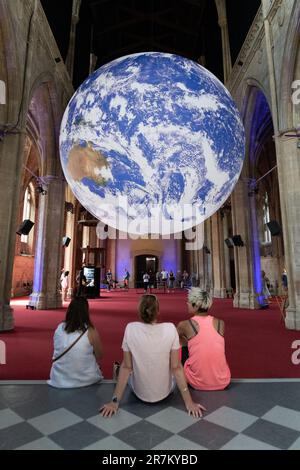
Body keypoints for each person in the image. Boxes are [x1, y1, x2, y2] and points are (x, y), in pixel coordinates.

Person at [100, 294, 206, 418]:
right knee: (176, 364)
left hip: (139, 392)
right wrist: (189, 402)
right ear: (158, 311)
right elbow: (176, 367)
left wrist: (114, 402)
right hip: (165, 392)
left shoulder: (130, 328)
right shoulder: (170, 328)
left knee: (124, 365)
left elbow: (127, 368)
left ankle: (116, 373)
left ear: (139, 311)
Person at [177, 288, 231, 391]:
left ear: (196, 305)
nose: (187, 303)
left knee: (180, 342)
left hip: (196, 382)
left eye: (189, 301)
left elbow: (173, 339)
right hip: (223, 381)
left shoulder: (184, 325)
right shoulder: (221, 323)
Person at [48, 297, 103, 388]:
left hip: (59, 380)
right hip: (86, 380)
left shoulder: (59, 328)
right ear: (86, 312)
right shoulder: (90, 330)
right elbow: (99, 355)